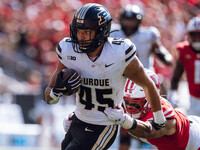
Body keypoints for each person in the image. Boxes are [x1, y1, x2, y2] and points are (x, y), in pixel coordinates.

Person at [44, 3, 166, 150]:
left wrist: (159, 119)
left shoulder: (119, 52)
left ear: (102, 31)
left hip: (104, 124)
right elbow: (49, 97)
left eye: (86, 32)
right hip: (78, 121)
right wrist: (56, 92)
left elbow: (147, 84)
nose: (80, 37)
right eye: (78, 31)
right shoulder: (68, 50)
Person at [110, 4, 173, 149]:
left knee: (151, 122)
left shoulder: (148, 35)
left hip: (145, 85)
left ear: (138, 21)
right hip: (123, 85)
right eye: (126, 20)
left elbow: (162, 53)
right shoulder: (113, 33)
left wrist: (164, 56)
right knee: (125, 125)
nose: (129, 24)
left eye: (132, 20)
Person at [104, 69, 200, 150]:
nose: (129, 107)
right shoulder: (122, 106)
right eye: (127, 101)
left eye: (136, 103)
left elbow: (149, 132)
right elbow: (125, 135)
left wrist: (124, 120)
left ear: (149, 99)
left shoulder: (163, 111)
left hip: (195, 142)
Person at [169, 16, 200, 116]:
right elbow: (178, 73)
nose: (197, 38)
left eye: (199, 34)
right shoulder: (183, 50)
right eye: (193, 34)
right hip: (193, 97)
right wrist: (173, 91)